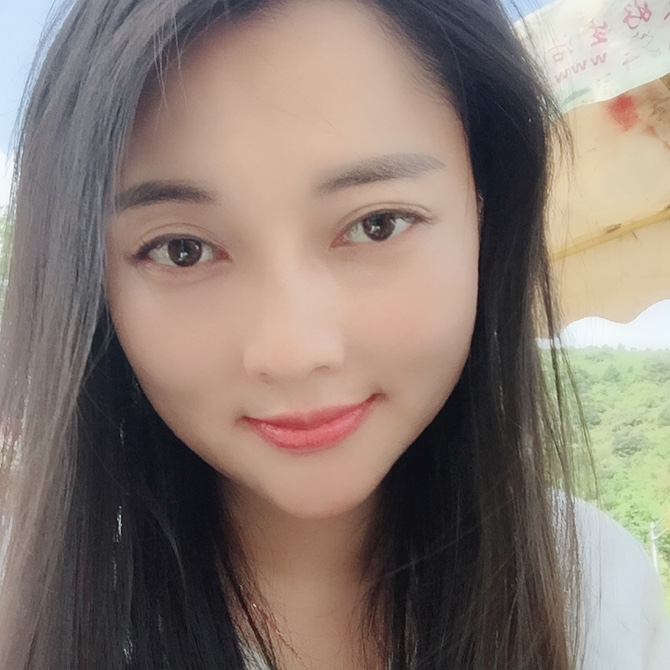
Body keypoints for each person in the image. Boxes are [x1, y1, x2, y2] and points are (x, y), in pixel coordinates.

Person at [0, 0, 667, 668]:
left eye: (377, 224)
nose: (293, 351)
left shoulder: (597, 595)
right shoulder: (27, 618)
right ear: (89, 281)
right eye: (182, 250)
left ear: (484, 214)